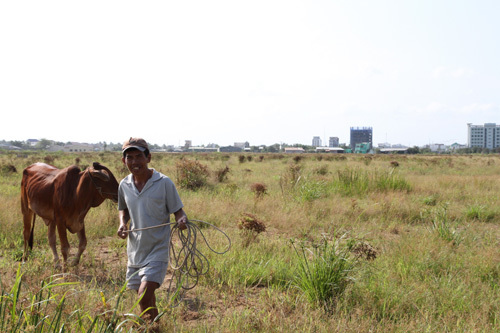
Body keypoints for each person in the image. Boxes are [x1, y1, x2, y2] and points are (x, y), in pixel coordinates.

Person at [117, 137, 187, 322]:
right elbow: (123, 209)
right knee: (144, 295)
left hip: (157, 248)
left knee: (144, 292)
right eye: (129, 157)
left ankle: (149, 328)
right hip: (135, 250)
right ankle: (155, 325)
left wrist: (182, 219)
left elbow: (178, 210)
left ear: (148, 158)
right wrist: (122, 223)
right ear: (124, 161)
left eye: (139, 156)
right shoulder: (124, 185)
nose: (134, 162)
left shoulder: (164, 183)